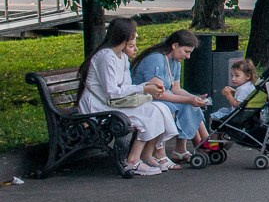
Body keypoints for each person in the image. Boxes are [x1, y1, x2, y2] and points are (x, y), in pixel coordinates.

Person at [80, 17, 182, 176]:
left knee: (158, 108)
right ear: (125, 36)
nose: (137, 37)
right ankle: (134, 161)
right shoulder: (106, 56)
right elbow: (112, 91)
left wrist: (146, 88)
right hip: (98, 105)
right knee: (149, 113)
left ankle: (135, 158)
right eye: (134, 34)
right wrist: (144, 87)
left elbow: (125, 87)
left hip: (113, 103)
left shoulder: (123, 57)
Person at [132, 29, 212, 167]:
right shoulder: (156, 59)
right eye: (186, 51)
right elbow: (158, 93)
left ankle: (182, 149)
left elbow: (176, 88)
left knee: (190, 105)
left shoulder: (175, 61)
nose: (188, 57)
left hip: (157, 97)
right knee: (177, 106)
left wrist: (194, 98)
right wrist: (189, 100)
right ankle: (201, 144)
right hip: (145, 98)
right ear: (174, 46)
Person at [210, 58, 260, 123]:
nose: (233, 79)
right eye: (232, 76)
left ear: (248, 76)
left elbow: (237, 106)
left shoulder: (243, 89)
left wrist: (228, 95)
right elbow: (244, 99)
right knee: (223, 110)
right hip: (244, 114)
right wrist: (234, 92)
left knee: (213, 116)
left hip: (236, 116)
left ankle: (212, 132)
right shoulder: (249, 86)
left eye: (237, 76)